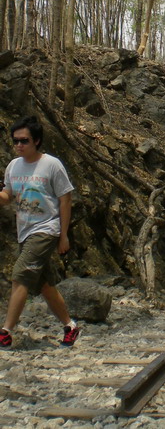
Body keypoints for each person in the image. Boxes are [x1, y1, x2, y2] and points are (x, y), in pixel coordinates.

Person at [0, 116, 80, 349]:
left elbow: (65, 199)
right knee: (43, 284)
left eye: (24, 140)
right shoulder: (13, 166)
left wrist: (63, 235)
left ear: (36, 140)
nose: (18, 145)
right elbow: (8, 196)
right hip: (24, 231)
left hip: (46, 229)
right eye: (15, 141)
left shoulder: (52, 165)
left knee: (20, 275)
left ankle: (6, 331)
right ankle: (70, 326)